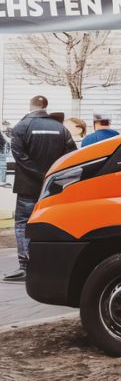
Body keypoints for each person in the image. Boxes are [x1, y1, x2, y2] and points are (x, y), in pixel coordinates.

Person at [5, 96, 76, 282]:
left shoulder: (21, 127)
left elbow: (19, 156)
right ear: (45, 106)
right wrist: (52, 176)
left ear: (30, 106)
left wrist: (40, 174)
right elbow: (71, 156)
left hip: (28, 187)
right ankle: (52, 266)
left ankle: (25, 266)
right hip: (54, 187)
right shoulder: (61, 129)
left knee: (23, 224)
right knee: (54, 223)